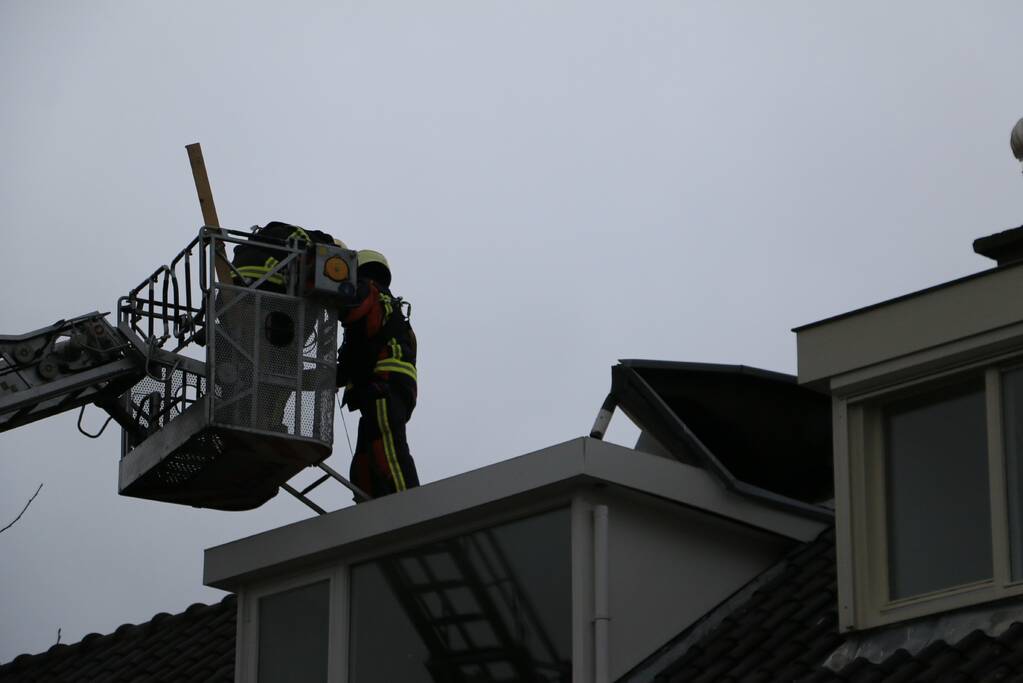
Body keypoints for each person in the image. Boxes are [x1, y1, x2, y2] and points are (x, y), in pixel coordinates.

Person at [337, 249, 419, 499]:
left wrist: (323, 296)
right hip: (390, 389)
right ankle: (371, 508)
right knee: (366, 457)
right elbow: (356, 356)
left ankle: (411, 509)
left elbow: (351, 309)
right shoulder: (391, 309)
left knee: (388, 450)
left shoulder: (368, 289)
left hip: (384, 386)